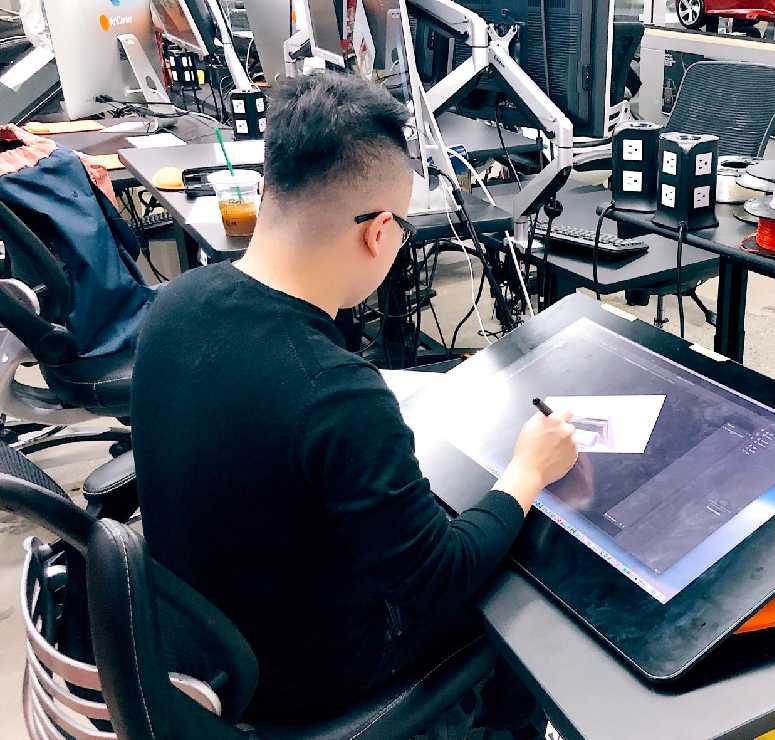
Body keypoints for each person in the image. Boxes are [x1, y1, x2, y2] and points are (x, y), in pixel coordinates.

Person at [130, 72, 579, 721]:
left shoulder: (175, 303)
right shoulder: (335, 393)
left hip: (203, 640)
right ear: (378, 232)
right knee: (516, 602)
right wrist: (528, 470)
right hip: (299, 685)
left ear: (267, 189)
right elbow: (439, 578)